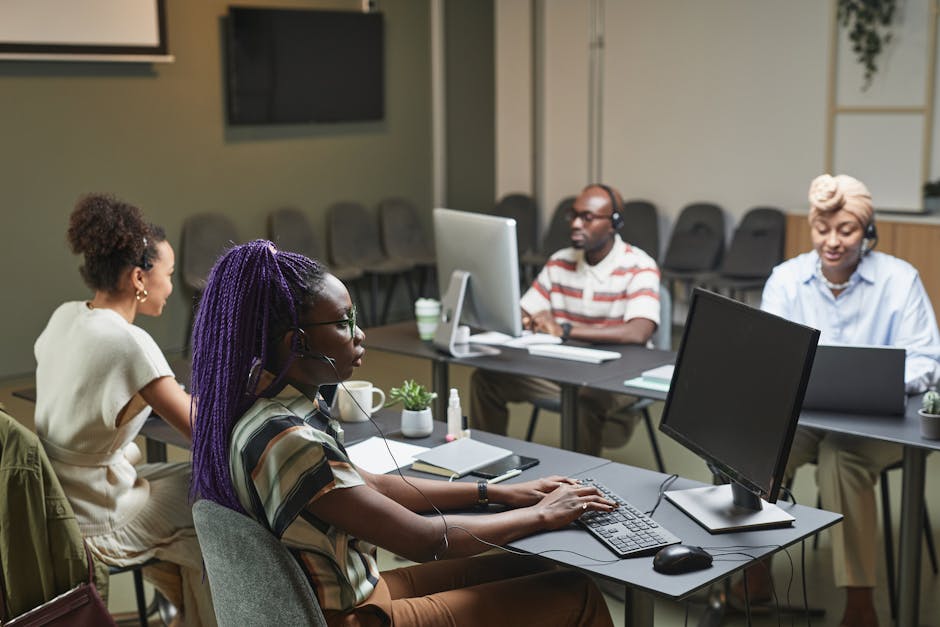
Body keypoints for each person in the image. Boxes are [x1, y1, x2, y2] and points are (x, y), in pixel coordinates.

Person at [188, 240, 615, 627]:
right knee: (576, 594)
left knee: (542, 572)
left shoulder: (270, 407)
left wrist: (498, 492)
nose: (359, 334)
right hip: (354, 616)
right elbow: (425, 539)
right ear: (296, 344)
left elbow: (369, 484)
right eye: (343, 323)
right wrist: (543, 514)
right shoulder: (291, 441)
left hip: (359, 593)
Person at [742, 174, 940, 627]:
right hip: (806, 416)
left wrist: (889, 381)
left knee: (840, 458)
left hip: (882, 424)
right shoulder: (787, 279)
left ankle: (859, 600)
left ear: (868, 233)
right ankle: (753, 569)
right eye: (821, 229)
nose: (831, 242)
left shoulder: (899, 279)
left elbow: (928, 357)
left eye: (846, 230)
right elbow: (771, 356)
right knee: (757, 447)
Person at [33, 194, 216, 626]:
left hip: (58, 500)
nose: (171, 287)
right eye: (168, 275)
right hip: (97, 516)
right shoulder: (129, 344)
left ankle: (184, 616)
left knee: (197, 483)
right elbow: (203, 430)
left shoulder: (66, 316)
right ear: (139, 277)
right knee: (220, 503)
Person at [470, 184, 661, 454]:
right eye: (573, 215)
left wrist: (564, 329)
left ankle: (581, 486)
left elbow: (638, 332)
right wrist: (530, 319)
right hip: (562, 370)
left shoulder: (640, 265)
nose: (575, 224)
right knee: (486, 380)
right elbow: (524, 311)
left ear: (614, 224)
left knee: (584, 397)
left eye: (587, 217)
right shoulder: (559, 262)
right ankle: (486, 461)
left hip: (619, 376)